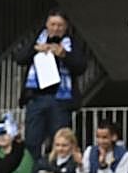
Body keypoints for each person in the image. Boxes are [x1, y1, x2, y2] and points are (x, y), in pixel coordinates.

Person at [16, 9, 87, 160]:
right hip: (36, 98)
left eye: (60, 25)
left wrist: (63, 55)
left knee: (61, 142)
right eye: (52, 24)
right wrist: (35, 49)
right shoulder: (37, 39)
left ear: (66, 26)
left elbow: (81, 67)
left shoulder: (72, 42)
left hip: (60, 100)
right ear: (47, 25)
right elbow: (20, 58)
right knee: (32, 141)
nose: (56, 29)